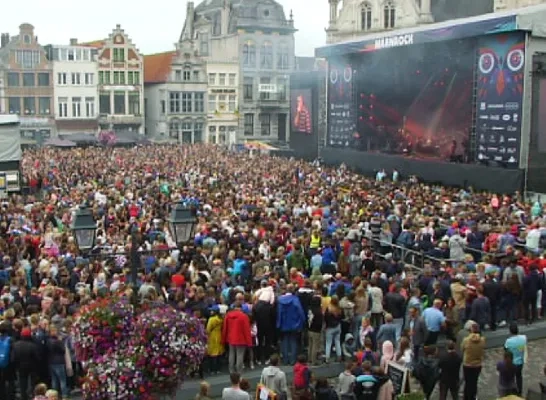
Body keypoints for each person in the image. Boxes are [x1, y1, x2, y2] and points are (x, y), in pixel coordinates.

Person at [277, 284, 306, 365]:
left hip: (283, 324)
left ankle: (285, 360)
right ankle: (293, 360)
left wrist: (278, 324)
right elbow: (300, 312)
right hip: (294, 324)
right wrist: (302, 322)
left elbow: (279, 313)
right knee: (293, 341)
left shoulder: (280, 300)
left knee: (285, 342)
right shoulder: (295, 299)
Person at [222, 303, 252, 374]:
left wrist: (224, 339)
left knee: (231, 354)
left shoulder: (228, 316)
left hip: (230, 338)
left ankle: (231, 370)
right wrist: (249, 342)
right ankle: (239, 371)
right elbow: (246, 330)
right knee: (240, 355)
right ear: (241, 308)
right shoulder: (244, 316)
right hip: (241, 339)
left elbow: (225, 328)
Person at [12, 327, 41, 400]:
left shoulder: (15, 345)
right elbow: (37, 358)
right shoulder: (33, 345)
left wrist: (16, 366)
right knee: (32, 384)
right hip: (31, 368)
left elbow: (13, 358)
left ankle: (23, 397)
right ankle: (32, 397)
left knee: (22, 385)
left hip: (20, 367)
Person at [461, 323, 485, 400]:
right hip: (477, 364)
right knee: (474, 381)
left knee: (467, 382)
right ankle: (473, 396)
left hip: (467, 364)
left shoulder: (466, 340)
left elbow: (462, 349)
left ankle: (466, 397)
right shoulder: (482, 340)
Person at [504, 322, 527, 395]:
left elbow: (506, 350)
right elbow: (522, 348)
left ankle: (512, 392)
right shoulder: (524, 338)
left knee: (511, 378)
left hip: (512, 363)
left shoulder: (508, 341)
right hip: (520, 362)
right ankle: (519, 391)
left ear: (510, 331)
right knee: (519, 376)